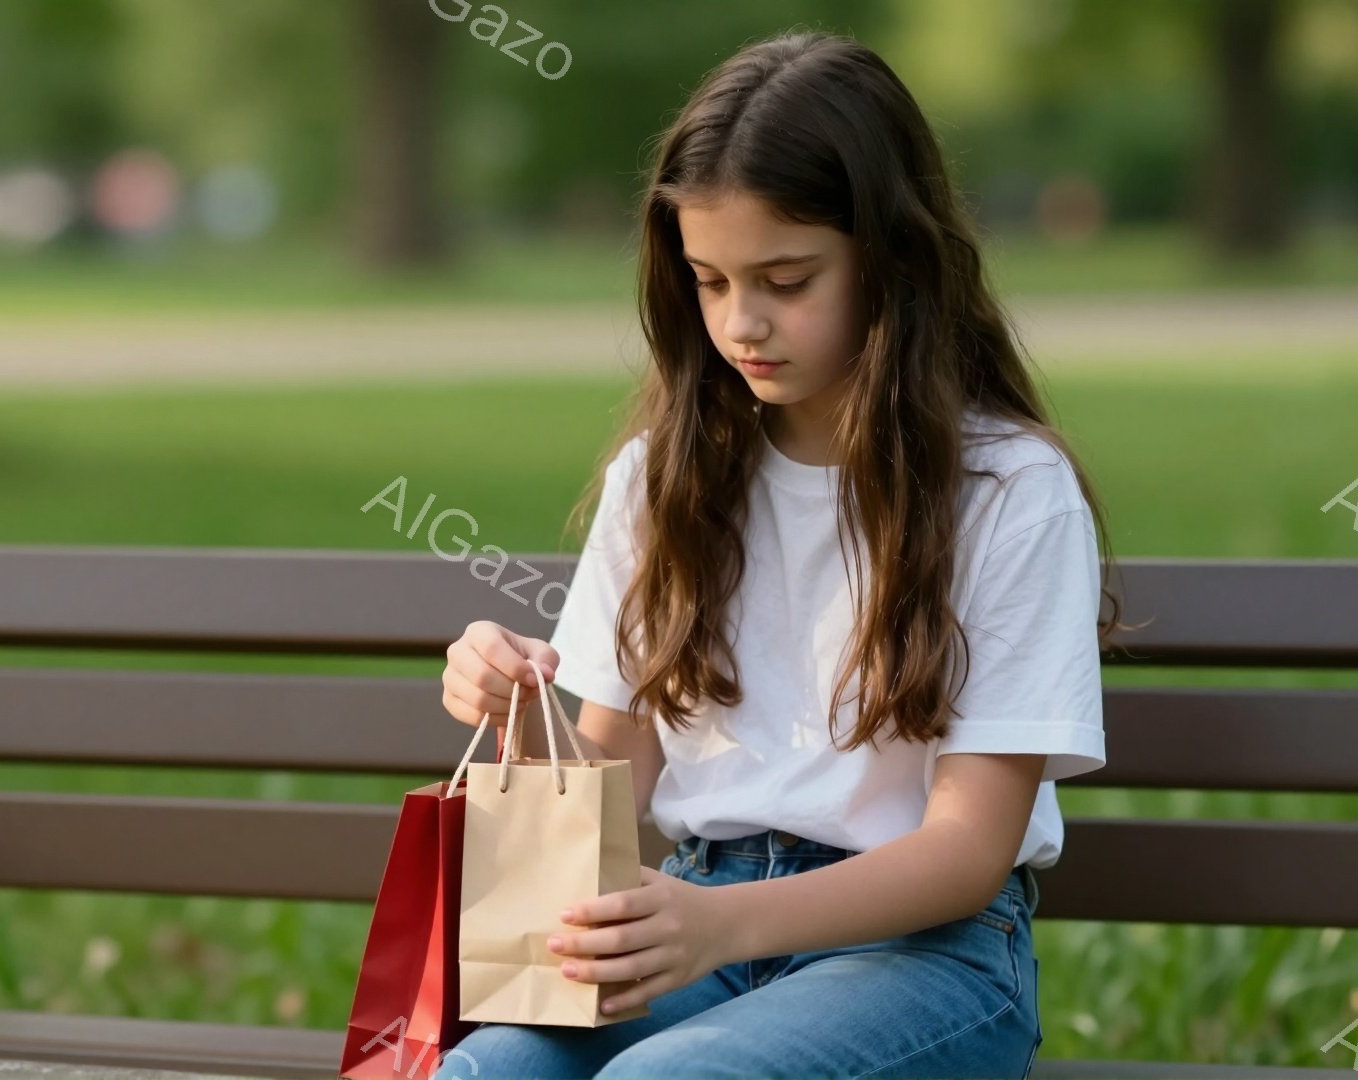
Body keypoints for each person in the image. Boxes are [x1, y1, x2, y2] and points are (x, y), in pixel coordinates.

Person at [432, 26, 1124, 1080]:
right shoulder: (665, 477)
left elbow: (968, 852)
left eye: (786, 278)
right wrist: (517, 709)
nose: (742, 322)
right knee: (485, 1074)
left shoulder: (1008, 494)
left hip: (926, 960)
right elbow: (610, 784)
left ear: (889, 259)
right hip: (693, 925)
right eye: (708, 281)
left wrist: (722, 928)